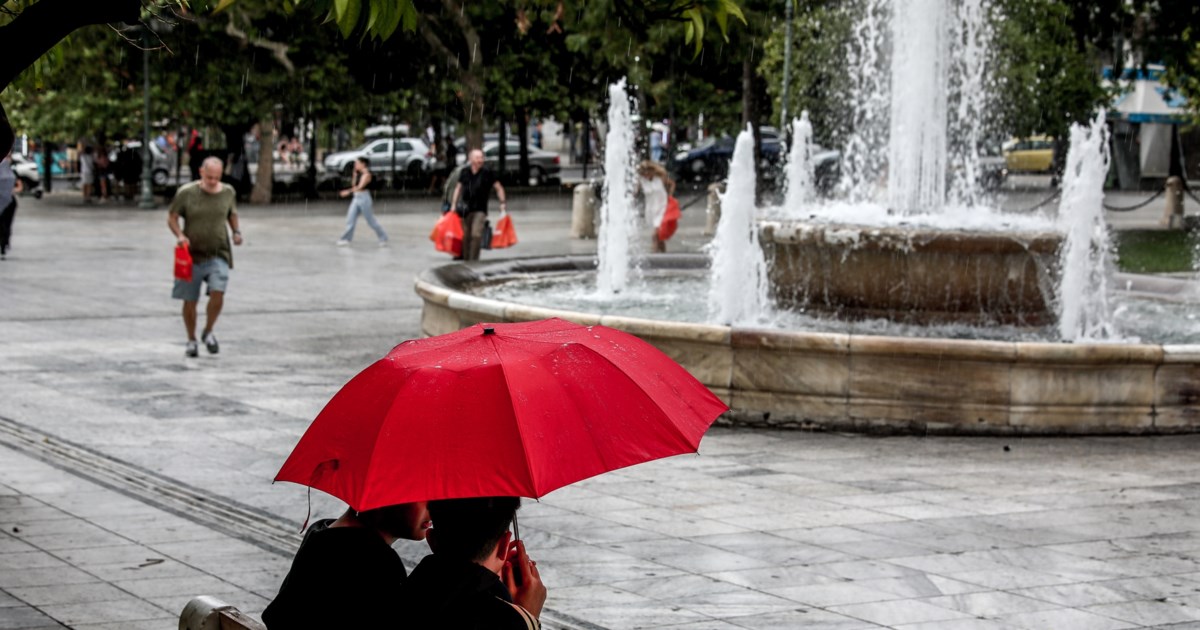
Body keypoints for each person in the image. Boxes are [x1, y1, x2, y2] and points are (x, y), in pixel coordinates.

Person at [263, 503, 431, 630]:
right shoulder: (375, 559)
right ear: (384, 494)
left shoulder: (323, 530)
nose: (434, 506)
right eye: (425, 497)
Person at [400, 497, 545, 629]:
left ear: (431, 539)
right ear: (505, 544)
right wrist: (527, 616)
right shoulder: (507, 622)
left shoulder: (405, 590)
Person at [167, 157, 243, 358]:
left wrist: (236, 231)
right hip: (191, 255)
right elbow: (172, 217)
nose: (212, 181)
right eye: (209, 177)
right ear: (201, 172)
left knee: (218, 291)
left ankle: (208, 330)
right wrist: (180, 235)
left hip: (219, 252)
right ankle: (191, 339)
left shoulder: (228, 192)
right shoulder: (187, 193)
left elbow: (231, 213)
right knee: (190, 300)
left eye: (216, 177)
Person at [450, 149, 507, 261]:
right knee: (465, 236)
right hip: (465, 209)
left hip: (480, 209)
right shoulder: (465, 172)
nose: (480, 160)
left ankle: (473, 260)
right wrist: (453, 204)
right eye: (477, 158)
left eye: (481, 157)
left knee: (476, 234)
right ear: (471, 159)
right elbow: (458, 188)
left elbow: (498, 188)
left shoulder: (487, 172)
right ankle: (466, 260)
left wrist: (502, 203)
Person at [336, 157, 388, 247]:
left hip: (364, 198)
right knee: (350, 219)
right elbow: (354, 185)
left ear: (363, 164)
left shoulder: (367, 174)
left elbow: (360, 187)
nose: (355, 165)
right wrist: (354, 175)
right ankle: (346, 238)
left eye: (357, 163)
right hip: (356, 198)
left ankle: (383, 237)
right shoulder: (358, 174)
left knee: (370, 220)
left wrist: (347, 192)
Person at [637, 160, 676, 253]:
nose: (646, 174)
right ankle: (663, 255)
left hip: (662, 207)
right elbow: (635, 192)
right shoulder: (641, 181)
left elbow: (672, 184)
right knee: (660, 237)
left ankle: (653, 256)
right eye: (644, 172)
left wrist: (670, 196)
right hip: (650, 210)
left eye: (648, 171)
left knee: (655, 235)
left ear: (652, 170)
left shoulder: (660, 178)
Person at [0, 151, 24, 260]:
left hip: (10, 201)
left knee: (7, 224)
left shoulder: (13, 171)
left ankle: (4, 244)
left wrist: (12, 190)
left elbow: (20, 186)